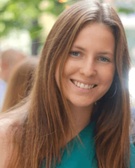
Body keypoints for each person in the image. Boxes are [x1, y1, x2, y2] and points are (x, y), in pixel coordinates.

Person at [0, 1, 135, 168]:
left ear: (117, 69)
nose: (88, 70)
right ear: (53, 55)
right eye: (76, 53)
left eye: (103, 58)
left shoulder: (122, 155)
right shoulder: (7, 140)